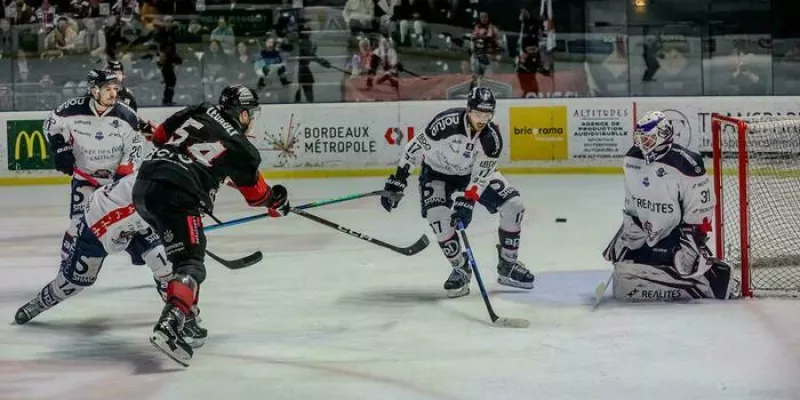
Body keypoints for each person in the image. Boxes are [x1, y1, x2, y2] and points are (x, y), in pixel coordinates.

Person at [132, 84, 291, 367]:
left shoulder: (202, 109)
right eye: (250, 113)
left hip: (143, 186)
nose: (251, 119)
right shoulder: (244, 150)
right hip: (177, 196)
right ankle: (168, 326)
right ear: (242, 114)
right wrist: (275, 199)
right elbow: (256, 196)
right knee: (191, 264)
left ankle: (187, 319)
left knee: (184, 256)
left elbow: (158, 137)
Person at [379, 87, 534, 298]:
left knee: (514, 205)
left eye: (487, 115)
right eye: (478, 114)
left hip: (471, 174)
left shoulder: (491, 139)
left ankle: (508, 263)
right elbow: (415, 146)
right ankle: (461, 268)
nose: (482, 119)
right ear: (468, 109)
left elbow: (482, 175)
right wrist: (399, 178)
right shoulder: (445, 124)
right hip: (437, 173)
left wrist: (468, 201)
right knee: (438, 218)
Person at [602, 111, 740, 301]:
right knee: (625, 261)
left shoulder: (686, 163)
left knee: (682, 266)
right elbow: (632, 201)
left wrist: (691, 241)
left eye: (647, 139)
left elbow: (700, 208)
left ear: (663, 135)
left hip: (676, 236)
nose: (642, 144)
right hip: (647, 233)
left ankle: (712, 278)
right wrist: (630, 229)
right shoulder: (632, 159)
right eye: (639, 139)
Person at [44, 69, 143, 268]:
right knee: (78, 223)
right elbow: (51, 124)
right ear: (94, 90)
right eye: (108, 89)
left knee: (131, 221)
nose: (114, 93)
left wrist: (124, 172)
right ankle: (68, 263)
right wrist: (60, 148)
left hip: (117, 182)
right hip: (85, 178)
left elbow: (135, 146)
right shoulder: (71, 109)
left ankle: (143, 252)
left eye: (116, 88)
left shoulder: (126, 115)